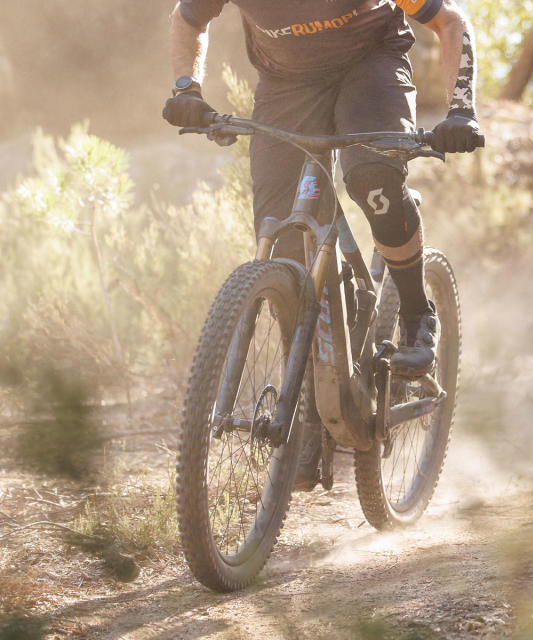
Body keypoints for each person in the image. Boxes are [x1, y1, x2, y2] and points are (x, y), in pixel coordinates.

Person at [162, 0, 481, 488]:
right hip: (286, 83)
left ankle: (418, 313)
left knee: (373, 180)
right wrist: (187, 87)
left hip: (371, 67)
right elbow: (188, 19)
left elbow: (449, 21)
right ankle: (309, 412)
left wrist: (461, 108)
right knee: (284, 242)